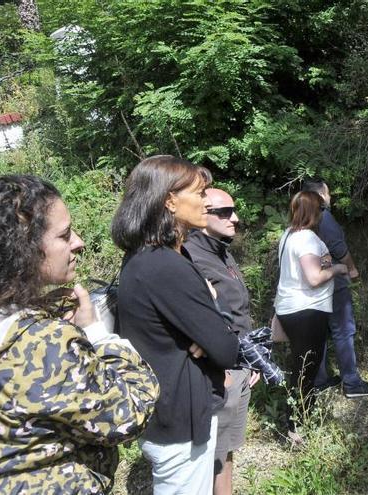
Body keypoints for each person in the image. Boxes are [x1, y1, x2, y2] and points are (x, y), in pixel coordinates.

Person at [0, 175, 159, 493]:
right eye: (64, 235)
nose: (78, 242)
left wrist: (35, 311)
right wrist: (97, 332)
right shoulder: (43, 344)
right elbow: (129, 412)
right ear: (21, 248)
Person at [112, 155, 239, 495]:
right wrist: (209, 332)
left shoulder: (148, 256)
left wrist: (205, 333)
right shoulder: (164, 265)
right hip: (181, 420)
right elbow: (227, 349)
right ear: (170, 201)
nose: (206, 201)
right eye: (199, 193)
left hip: (169, 412)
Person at [184, 185, 261, 495]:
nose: (236, 218)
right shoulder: (189, 255)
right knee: (210, 453)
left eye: (234, 210)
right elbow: (195, 320)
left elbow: (237, 309)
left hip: (238, 362)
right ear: (203, 214)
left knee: (227, 447)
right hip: (219, 371)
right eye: (225, 212)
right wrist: (223, 368)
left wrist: (250, 356)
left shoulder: (221, 248)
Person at [302, 179, 368, 398]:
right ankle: (352, 383)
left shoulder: (301, 220)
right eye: (328, 193)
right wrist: (352, 269)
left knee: (319, 333)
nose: (330, 198)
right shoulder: (324, 217)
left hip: (313, 286)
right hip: (333, 284)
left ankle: (319, 381)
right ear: (321, 195)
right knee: (343, 331)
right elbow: (339, 248)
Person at [274, 191, 347, 422]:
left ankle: (301, 417)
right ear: (315, 211)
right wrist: (338, 269)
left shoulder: (289, 234)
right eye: (321, 209)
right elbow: (314, 278)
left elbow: (311, 263)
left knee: (301, 365)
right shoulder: (306, 238)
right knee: (306, 370)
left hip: (290, 308)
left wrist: (325, 260)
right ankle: (297, 424)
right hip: (307, 310)